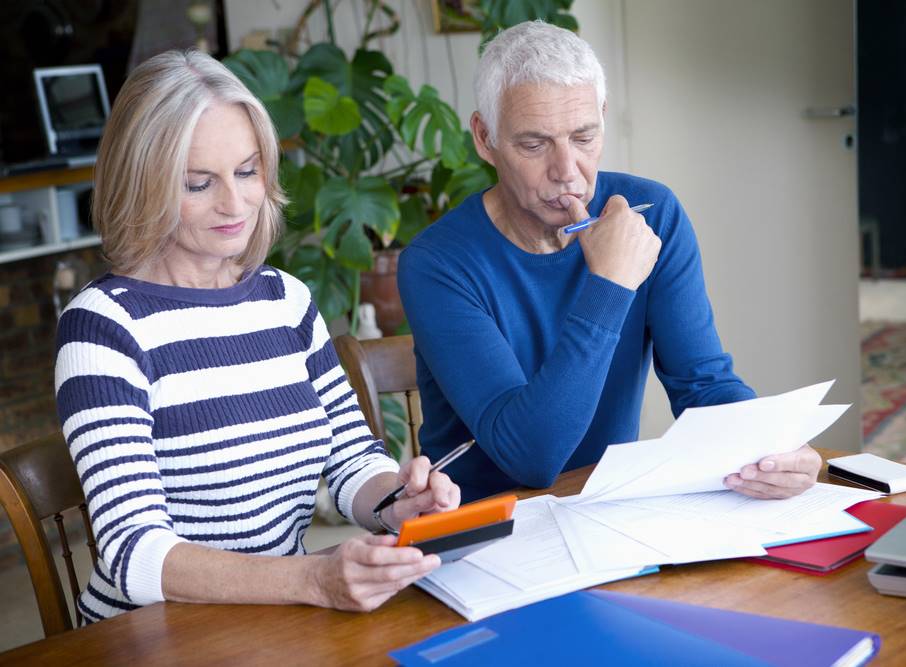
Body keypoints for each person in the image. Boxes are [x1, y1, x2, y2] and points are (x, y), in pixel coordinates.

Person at [54, 50, 459, 623]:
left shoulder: (285, 300)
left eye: (248, 171)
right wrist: (313, 577)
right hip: (152, 639)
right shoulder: (103, 327)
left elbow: (350, 461)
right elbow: (132, 552)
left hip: (278, 622)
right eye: (199, 183)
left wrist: (398, 499)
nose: (236, 202)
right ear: (142, 183)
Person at [398, 21, 821, 503]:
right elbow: (532, 458)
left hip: (607, 508)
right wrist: (610, 283)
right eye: (534, 145)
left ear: (602, 116)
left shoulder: (651, 214)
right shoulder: (436, 263)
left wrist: (772, 449)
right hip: (483, 528)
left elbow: (702, 383)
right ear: (484, 137)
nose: (567, 171)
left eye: (583, 137)